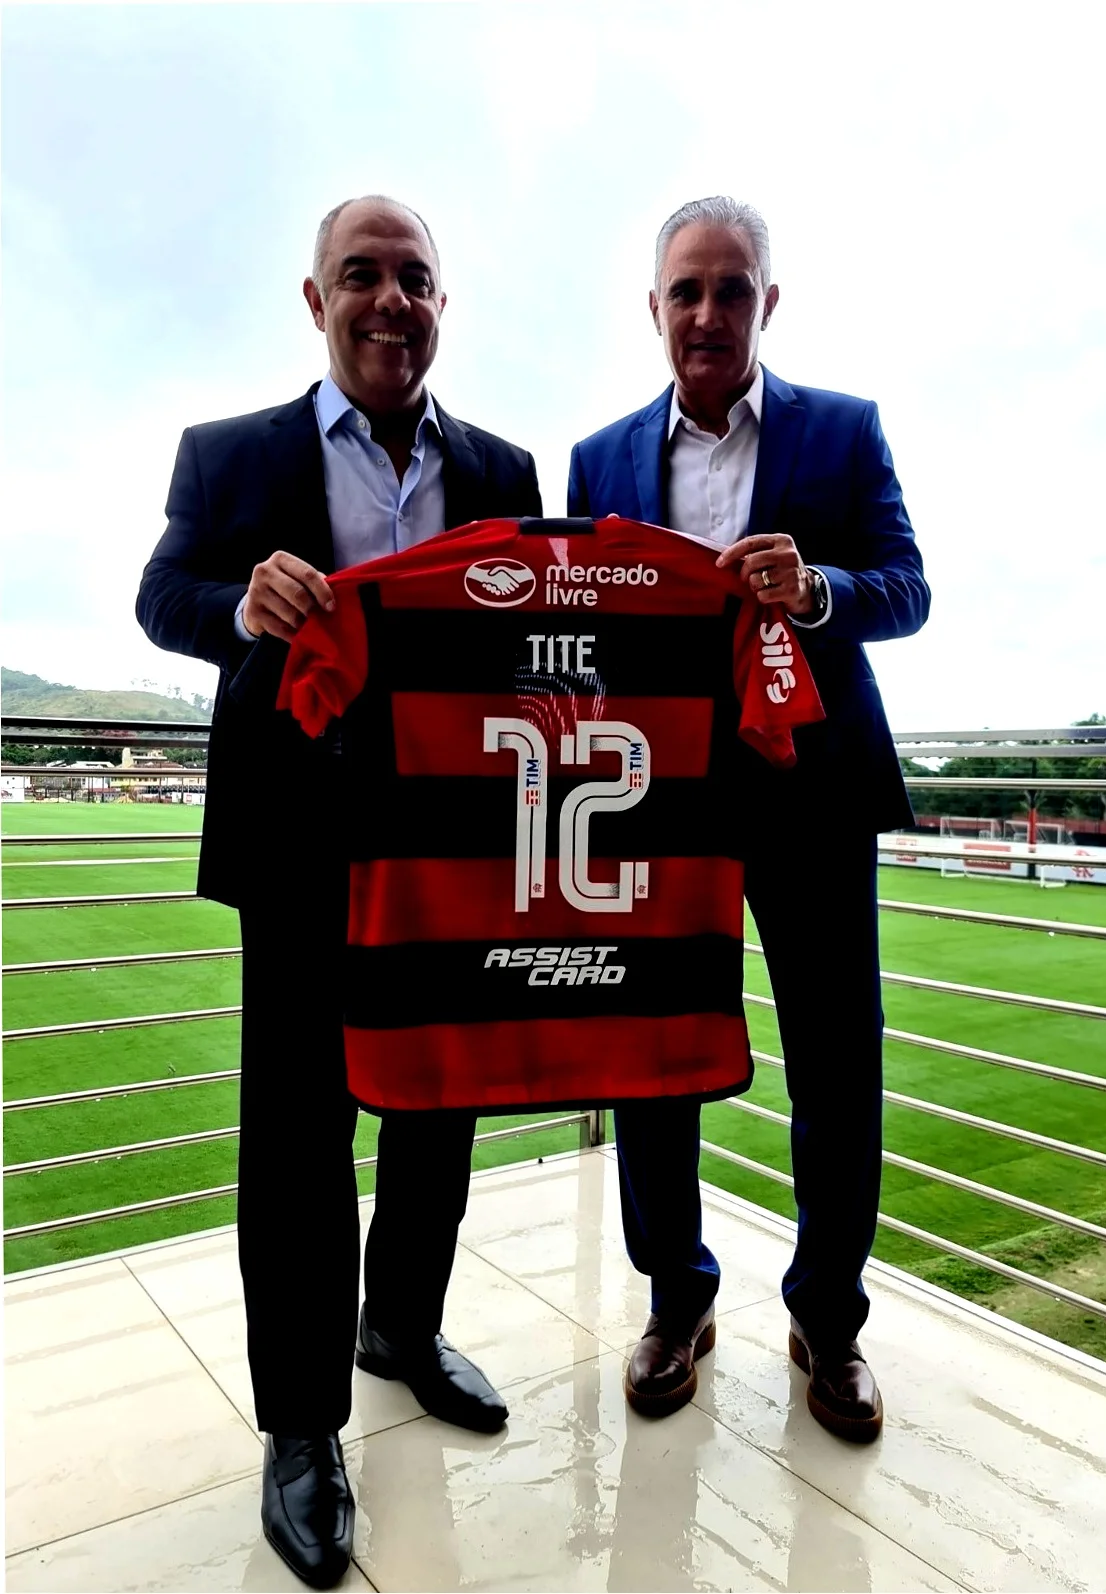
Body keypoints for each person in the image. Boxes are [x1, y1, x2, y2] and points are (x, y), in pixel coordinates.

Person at [137, 195, 542, 1588]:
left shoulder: (502, 463)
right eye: (360, 275)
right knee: (298, 1137)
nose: (389, 299)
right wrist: (236, 606)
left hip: (456, 847)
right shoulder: (230, 452)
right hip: (299, 846)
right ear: (314, 300)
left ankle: (401, 1327)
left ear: (442, 304)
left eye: (413, 278)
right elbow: (160, 596)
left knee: (439, 1106)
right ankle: (302, 1425)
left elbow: (534, 640)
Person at [567, 196, 929, 1443]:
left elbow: (908, 587)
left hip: (815, 796)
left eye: (733, 290)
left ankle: (829, 1320)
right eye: (687, 292)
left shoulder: (843, 431)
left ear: (769, 302)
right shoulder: (600, 458)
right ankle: (678, 1299)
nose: (709, 313)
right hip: (656, 804)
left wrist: (819, 589)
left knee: (840, 1064)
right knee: (651, 1061)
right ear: (656, 309)